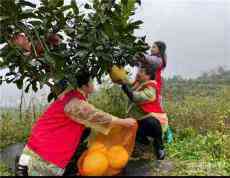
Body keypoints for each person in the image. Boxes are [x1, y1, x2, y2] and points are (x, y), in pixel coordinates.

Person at [15, 70, 136, 176]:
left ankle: (23, 167)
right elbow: (96, 116)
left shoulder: (71, 94)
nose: (93, 84)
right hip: (46, 147)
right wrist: (123, 122)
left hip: (40, 139)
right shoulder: (75, 103)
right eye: (91, 82)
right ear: (85, 86)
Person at [118, 62, 168, 160]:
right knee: (127, 127)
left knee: (153, 123)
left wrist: (124, 86)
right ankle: (143, 144)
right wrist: (121, 75)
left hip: (149, 120)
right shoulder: (138, 84)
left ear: (148, 76)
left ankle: (159, 147)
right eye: (138, 71)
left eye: (141, 72)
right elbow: (128, 82)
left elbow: (136, 97)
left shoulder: (151, 88)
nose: (138, 73)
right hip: (137, 120)